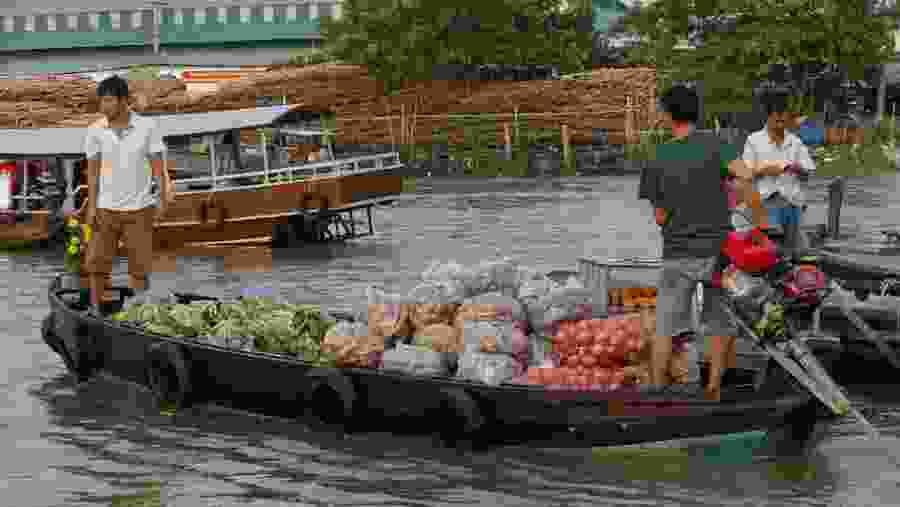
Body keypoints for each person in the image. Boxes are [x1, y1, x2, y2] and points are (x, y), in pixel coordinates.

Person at [638, 84, 753, 401]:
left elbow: (660, 217)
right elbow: (744, 176)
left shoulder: (658, 155)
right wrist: (733, 202)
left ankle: (658, 389)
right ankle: (713, 387)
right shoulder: (718, 144)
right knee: (718, 322)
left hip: (678, 252)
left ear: (667, 115)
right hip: (719, 251)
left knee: (665, 324)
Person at [80, 75, 172, 313]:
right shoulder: (94, 131)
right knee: (96, 264)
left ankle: (138, 311)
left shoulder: (147, 127)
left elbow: (158, 168)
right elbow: (92, 173)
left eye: (109, 101)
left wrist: (162, 198)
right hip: (105, 209)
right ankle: (96, 309)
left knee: (139, 267)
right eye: (101, 102)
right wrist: (91, 208)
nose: (104, 106)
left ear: (124, 101)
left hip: (140, 209)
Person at [742, 87, 816, 255]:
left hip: (793, 204)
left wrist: (798, 169)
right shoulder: (754, 141)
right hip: (766, 204)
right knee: (772, 253)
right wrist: (763, 170)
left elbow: (808, 172)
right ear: (768, 116)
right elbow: (745, 174)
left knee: (798, 253)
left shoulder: (795, 142)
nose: (781, 120)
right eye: (777, 116)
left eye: (785, 116)